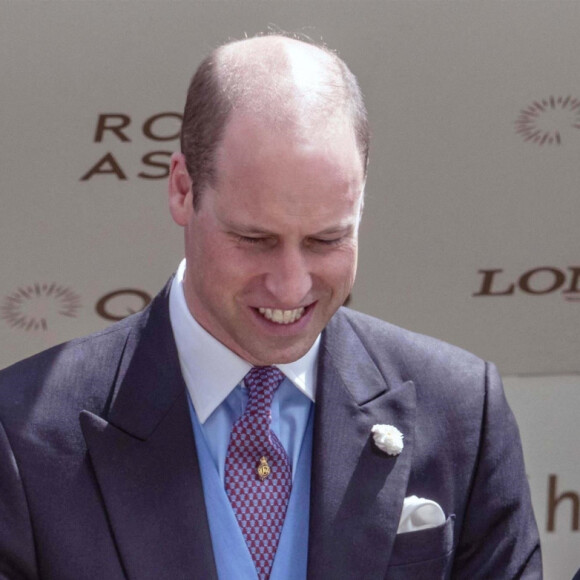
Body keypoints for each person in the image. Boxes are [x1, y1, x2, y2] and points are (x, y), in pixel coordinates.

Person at [0, 35, 541, 580]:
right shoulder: (21, 436)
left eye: (326, 240)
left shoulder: (463, 410)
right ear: (183, 190)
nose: (290, 286)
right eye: (254, 239)